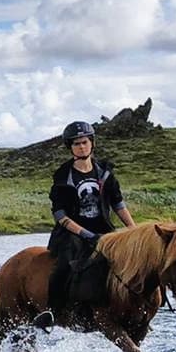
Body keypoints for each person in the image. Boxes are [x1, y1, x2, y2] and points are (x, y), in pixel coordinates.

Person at [33, 120, 136, 330]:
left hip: (104, 230)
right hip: (71, 233)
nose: (82, 146)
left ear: (92, 143)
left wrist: (134, 231)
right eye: (77, 144)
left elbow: (118, 204)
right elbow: (60, 215)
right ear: (70, 147)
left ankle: (130, 307)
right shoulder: (63, 177)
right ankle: (51, 311)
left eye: (85, 142)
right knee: (64, 265)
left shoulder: (105, 173)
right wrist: (85, 233)